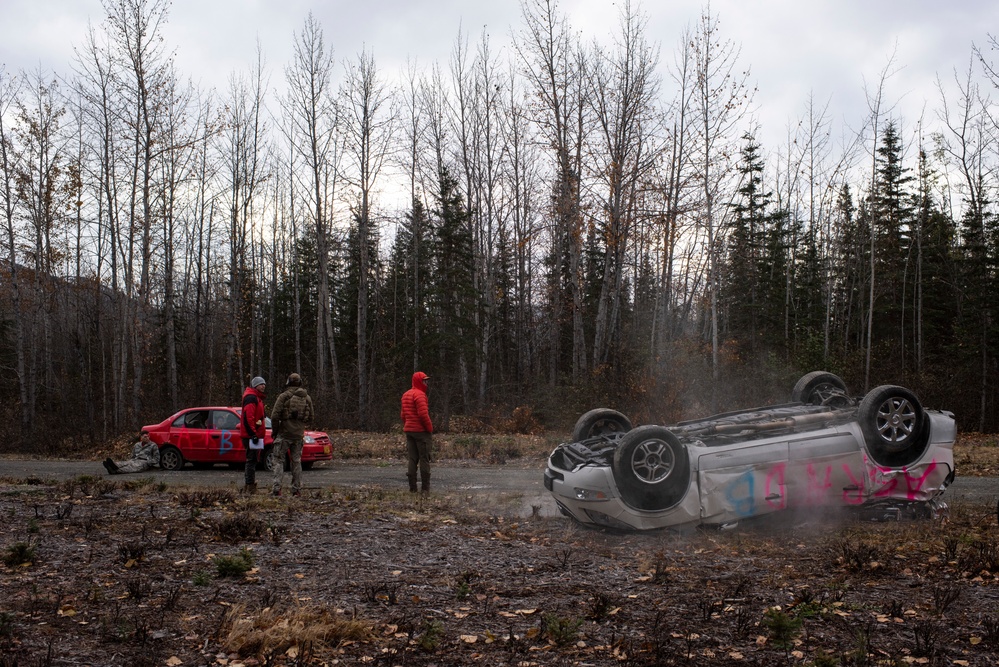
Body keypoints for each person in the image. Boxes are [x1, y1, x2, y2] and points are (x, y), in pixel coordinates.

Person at [270, 373, 314, 497]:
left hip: (284, 434)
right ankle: (296, 490)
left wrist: (275, 431)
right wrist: (300, 426)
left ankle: (277, 489)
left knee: (278, 461)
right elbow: (311, 417)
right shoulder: (307, 398)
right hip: (298, 436)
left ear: (288, 382)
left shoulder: (284, 396)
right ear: (300, 382)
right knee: (296, 462)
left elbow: (274, 416)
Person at [401, 371, 433, 493]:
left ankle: (412, 488)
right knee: (424, 458)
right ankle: (425, 489)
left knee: (412, 459)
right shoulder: (420, 395)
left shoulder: (406, 394)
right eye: (424, 380)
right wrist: (429, 428)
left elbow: (403, 415)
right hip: (421, 432)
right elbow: (423, 414)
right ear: (419, 381)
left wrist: (408, 424)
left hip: (409, 431)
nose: (426, 383)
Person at [240, 376, 267, 493]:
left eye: (264, 384)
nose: (263, 386)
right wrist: (253, 434)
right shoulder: (251, 398)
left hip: (255, 435)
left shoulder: (257, 398)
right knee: (251, 460)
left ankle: (250, 485)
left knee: (253, 460)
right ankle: (250, 486)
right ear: (255, 386)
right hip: (251, 435)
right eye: (261, 384)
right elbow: (248, 417)